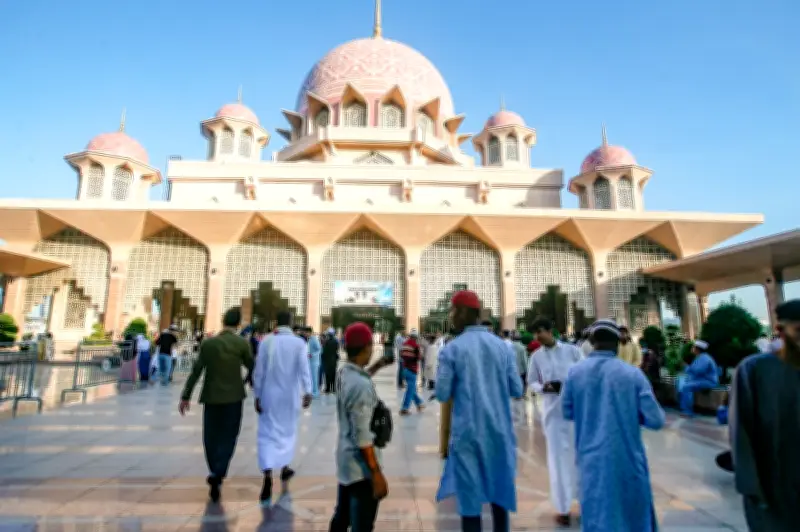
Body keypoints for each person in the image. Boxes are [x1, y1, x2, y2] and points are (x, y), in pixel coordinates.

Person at [562, 319, 665, 532]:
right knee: (631, 517)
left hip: (591, 460)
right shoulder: (632, 375)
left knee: (597, 515)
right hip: (626, 459)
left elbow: (567, 411)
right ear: (618, 343)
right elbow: (656, 420)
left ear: (591, 342)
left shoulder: (575, 373)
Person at [436, 290, 523, 532]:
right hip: (499, 432)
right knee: (500, 493)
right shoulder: (503, 347)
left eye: (453, 310)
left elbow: (442, 393)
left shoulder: (453, 349)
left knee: (470, 499)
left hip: (468, 435)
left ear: (464, 312)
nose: (451, 316)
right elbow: (517, 389)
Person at [730, 299, 800, 531]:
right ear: (780, 330)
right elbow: (741, 432)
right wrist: (751, 486)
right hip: (774, 485)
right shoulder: (754, 370)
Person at [178, 307, 254, 503]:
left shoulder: (209, 343)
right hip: (233, 398)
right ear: (238, 324)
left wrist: (186, 396)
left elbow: (196, 371)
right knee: (229, 436)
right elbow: (253, 366)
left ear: (223, 321)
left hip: (211, 397)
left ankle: (213, 469)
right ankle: (219, 471)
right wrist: (248, 381)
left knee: (211, 436)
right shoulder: (241, 343)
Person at [329, 322, 393, 532]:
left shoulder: (343, 373)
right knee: (362, 524)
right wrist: (376, 473)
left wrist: (376, 367)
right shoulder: (361, 386)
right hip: (361, 470)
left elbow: (358, 380)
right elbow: (363, 435)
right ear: (366, 347)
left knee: (342, 517)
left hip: (346, 461)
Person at [526, 318, 582, 526]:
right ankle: (563, 508)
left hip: (576, 414)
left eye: (540, 331)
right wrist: (543, 388)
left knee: (579, 459)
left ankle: (584, 502)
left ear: (551, 331)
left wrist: (570, 385)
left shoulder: (572, 352)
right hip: (553, 415)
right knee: (558, 461)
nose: (537, 337)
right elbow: (532, 381)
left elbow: (585, 373)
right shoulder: (536, 357)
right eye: (535, 333)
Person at [253, 311, 312, 504]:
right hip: (290, 397)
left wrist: (257, 395)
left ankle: (268, 476)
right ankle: (285, 467)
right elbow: (304, 370)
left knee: (267, 434)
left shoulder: (266, 342)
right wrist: (308, 391)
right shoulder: (299, 343)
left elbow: (259, 371)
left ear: (276, 322)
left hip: (269, 396)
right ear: (292, 323)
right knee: (288, 432)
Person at [678, 339, 719, 416]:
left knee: (687, 387)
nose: (692, 349)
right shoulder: (699, 357)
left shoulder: (705, 358)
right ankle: (682, 407)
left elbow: (698, 371)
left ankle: (688, 411)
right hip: (701, 380)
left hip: (708, 381)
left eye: (693, 347)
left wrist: (687, 367)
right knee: (681, 381)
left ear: (697, 349)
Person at [399, 329, 424, 415]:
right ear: (415, 337)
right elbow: (419, 357)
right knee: (410, 390)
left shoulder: (404, 344)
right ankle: (405, 408)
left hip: (405, 369)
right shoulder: (416, 346)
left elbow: (401, 355)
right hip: (412, 370)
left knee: (411, 388)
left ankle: (419, 403)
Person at [322, 328, 340, 394]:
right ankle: (334, 388)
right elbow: (337, 349)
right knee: (333, 374)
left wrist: (323, 357)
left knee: (327, 375)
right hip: (334, 360)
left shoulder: (326, 341)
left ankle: (328, 388)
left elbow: (324, 351)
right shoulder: (336, 341)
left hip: (328, 360)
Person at [511, 331, 528, 398]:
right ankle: (522, 394)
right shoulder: (522, 347)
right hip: (521, 369)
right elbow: (524, 360)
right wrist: (527, 370)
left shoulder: (509, 346)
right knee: (523, 382)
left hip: (512, 368)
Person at [307, 326, 322, 398]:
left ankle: (315, 392)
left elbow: (319, 350)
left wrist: (312, 355)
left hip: (314, 362)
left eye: (306, 332)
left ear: (310, 332)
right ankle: (312, 391)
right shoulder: (309, 339)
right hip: (310, 361)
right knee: (311, 377)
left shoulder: (314, 340)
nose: (305, 334)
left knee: (314, 377)